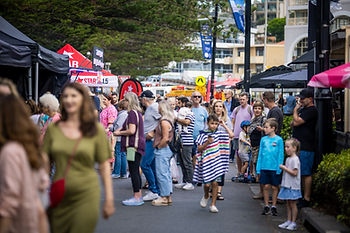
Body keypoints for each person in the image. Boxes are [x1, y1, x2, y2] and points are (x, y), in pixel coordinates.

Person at [42, 83, 115, 233]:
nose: (69, 100)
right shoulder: (53, 129)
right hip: (60, 191)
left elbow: (104, 165)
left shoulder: (95, 130)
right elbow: (45, 161)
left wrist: (109, 198)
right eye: (65, 96)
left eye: (73, 96)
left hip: (86, 193)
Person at [0, 95, 49, 233]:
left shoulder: (10, 151)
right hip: (32, 221)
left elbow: (9, 203)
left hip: (15, 224)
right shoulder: (30, 150)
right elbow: (41, 200)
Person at [193, 114, 230, 213]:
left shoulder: (219, 133)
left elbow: (231, 135)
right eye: (212, 123)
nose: (214, 126)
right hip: (206, 162)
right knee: (207, 185)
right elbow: (199, 148)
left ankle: (213, 204)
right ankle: (206, 195)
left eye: (216, 124)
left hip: (217, 162)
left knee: (215, 183)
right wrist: (207, 143)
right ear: (207, 123)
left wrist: (224, 125)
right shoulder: (202, 135)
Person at [114, 92, 146, 206]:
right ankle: (138, 195)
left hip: (133, 146)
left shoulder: (132, 113)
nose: (124, 102)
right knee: (135, 170)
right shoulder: (137, 113)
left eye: (125, 100)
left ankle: (137, 196)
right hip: (137, 145)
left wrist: (119, 132)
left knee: (133, 170)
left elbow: (131, 130)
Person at [291, 88, 318, 207]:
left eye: (303, 98)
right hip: (300, 145)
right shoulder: (304, 110)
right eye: (300, 98)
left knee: (306, 173)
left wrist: (295, 110)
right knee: (300, 172)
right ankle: (301, 195)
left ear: (310, 99)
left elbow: (296, 122)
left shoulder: (311, 110)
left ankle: (306, 198)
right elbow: (293, 122)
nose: (300, 100)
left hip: (306, 145)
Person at [257, 118, 284, 216]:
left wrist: (279, 168)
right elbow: (260, 154)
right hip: (264, 166)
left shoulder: (279, 140)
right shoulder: (263, 140)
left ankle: (274, 205)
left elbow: (281, 154)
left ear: (273, 128)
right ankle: (266, 205)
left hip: (274, 167)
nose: (265, 129)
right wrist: (258, 168)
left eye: (266, 127)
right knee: (266, 186)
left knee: (274, 186)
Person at [152, 100, 175, 206]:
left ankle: (164, 196)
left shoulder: (164, 122)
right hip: (167, 150)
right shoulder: (169, 120)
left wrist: (158, 146)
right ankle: (168, 196)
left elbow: (165, 138)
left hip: (163, 149)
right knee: (166, 173)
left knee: (162, 173)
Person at [139, 90, 161, 201]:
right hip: (149, 140)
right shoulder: (151, 108)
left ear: (144, 99)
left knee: (144, 165)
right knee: (151, 166)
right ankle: (156, 189)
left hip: (151, 140)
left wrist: (153, 132)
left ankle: (153, 189)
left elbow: (163, 120)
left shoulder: (154, 107)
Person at [211, 100, 234, 200]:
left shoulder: (227, 119)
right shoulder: (210, 119)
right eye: (216, 106)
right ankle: (212, 189)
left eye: (220, 106)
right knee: (212, 169)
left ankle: (219, 191)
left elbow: (231, 134)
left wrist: (223, 124)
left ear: (223, 108)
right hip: (212, 147)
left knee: (221, 170)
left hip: (223, 149)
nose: (218, 108)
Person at [278, 138, 302, 231]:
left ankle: (293, 222)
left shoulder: (295, 159)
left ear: (294, 148)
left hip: (293, 185)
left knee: (293, 203)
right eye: (285, 147)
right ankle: (288, 220)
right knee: (288, 203)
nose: (286, 149)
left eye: (288, 147)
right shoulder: (288, 159)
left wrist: (284, 168)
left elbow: (294, 173)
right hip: (287, 184)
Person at [230, 92, 253, 180]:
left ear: (247, 99)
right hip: (236, 135)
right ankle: (240, 172)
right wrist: (232, 130)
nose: (242, 101)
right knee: (238, 154)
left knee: (249, 154)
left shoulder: (250, 109)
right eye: (240, 99)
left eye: (243, 99)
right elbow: (233, 120)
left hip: (247, 136)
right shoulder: (236, 109)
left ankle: (250, 172)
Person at [175, 98, 196, 191]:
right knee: (182, 162)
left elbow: (187, 122)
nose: (178, 105)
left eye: (179, 103)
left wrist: (176, 118)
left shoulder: (190, 114)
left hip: (187, 142)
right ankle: (185, 180)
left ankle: (190, 182)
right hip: (180, 140)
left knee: (187, 162)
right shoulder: (181, 114)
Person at [247, 100, 266, 184]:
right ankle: (257, 177)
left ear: (262, 110)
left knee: (258, 163)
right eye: (255, 108)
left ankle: (260, 179)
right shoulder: (252, 119)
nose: (257, 110)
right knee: (254, 162)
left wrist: (262, 129)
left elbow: (267, 130)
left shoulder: (263, 119)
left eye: (259, 108)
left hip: (260, 144)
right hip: (253, 144)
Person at [111, 99, 129, 179]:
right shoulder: (126, 114)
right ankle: (123, 172)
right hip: (124, 137)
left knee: (118, 154)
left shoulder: (122, 115)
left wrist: (112, 128)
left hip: (119, 137)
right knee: (123, 154)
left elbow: (118, 126)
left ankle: (117, 172)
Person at [191, 91, 208, 156]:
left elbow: (206, 123)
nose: (197, 98)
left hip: (200, 139)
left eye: (199, 96)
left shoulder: (203, 110)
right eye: (195, 96)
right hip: (189, 139)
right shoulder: (188, 109)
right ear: (191, 98)